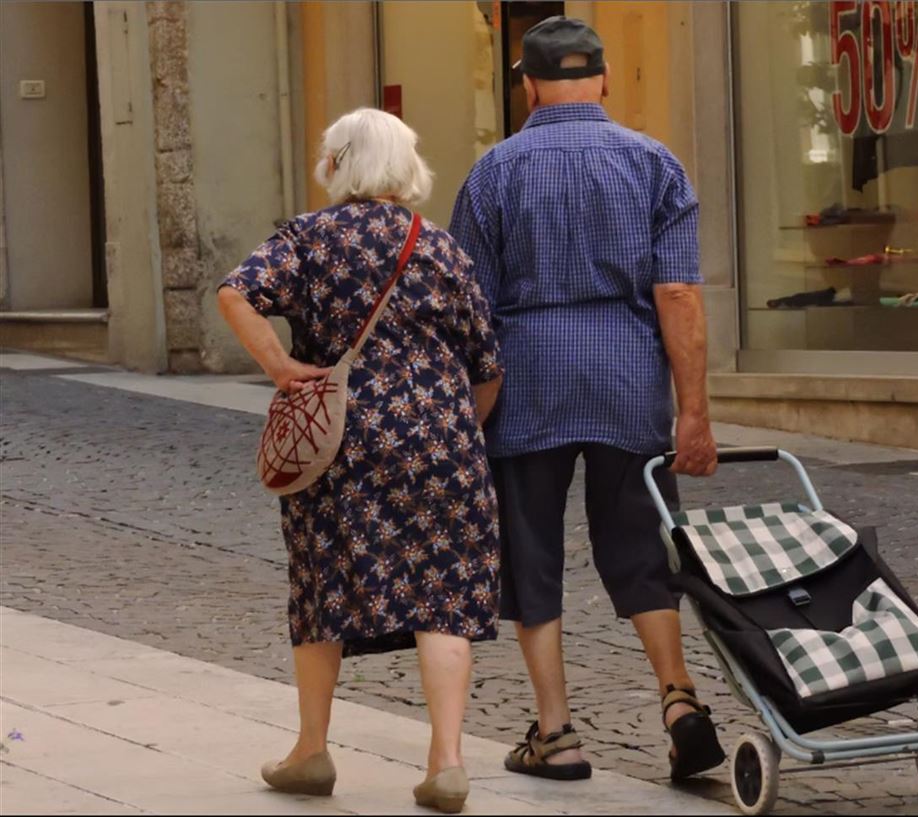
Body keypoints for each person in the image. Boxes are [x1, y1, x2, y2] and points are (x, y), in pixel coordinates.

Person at [449, 16, 724, 782]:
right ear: (603, 79)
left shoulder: (495, 172)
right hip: (628, 378)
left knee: (531, 552)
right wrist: (692, 412)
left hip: (527, 379)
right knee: (642, 550)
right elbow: (678, 294)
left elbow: (470, 309)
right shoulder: (654, 164)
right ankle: (678, 699)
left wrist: (468, 413)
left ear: (529, 86)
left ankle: (558, 730)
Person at [218, 108, 502, 814]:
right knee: (446, 594)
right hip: (442, 438)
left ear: (337, 163)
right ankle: (447, 760)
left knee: (322, 585)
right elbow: (487, 362)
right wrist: (459, 427)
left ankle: (311, 750)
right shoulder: (438, 246)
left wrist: (283, 367)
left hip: (341, 438)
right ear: (408, 166)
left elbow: (235, 292)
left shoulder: (310, 238)